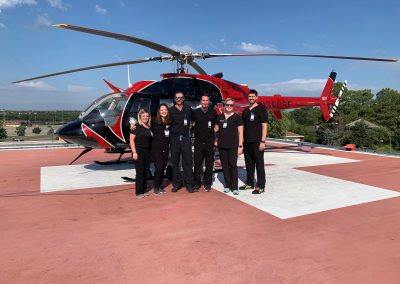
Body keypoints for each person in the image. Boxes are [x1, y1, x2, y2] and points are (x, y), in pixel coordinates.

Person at [240, 89, 269, 194]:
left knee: (259, 164)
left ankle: (261, 186)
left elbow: (264, 125)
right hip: (247, 142)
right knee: (249, 164)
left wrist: (263, 141)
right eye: (249, 96)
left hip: (257, 142)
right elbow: (242, 127)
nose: (251, 98)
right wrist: (241, 142)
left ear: (257, 97)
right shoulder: (246, 111)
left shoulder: (261, 109)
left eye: (253, 96)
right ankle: (249, 183)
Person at [214, 98, 243, 195]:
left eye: (231, 105)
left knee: (233, 166)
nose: (229, 107)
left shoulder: (237, 117)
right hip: (222, 146)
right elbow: (216, 129)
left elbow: (241, 132)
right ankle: (227, 185)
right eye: (227, 105)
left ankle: (235, 187)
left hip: (233, 146)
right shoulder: (220, 117)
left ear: (233, 106)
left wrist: (240, 146)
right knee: (225, 166)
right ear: (224, 106)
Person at [169, 91, 195, 193]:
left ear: (183, 98)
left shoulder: (188, 109)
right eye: (177, 98)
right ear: (174, 99)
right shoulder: (170, 110)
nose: (179, 99)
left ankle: (189, 184)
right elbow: (162, 120)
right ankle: (177, 184)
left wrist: (192, 124)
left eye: (180, 97)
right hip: (174, 138)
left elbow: (195, 118)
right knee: (175, 163)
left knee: (188, 161)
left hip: (185, 138)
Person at [191, 95, 218, 192]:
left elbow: (217, 124)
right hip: (198, 141)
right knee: (197, 164)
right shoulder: (195, 112)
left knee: (209, 164)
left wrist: (215, 136)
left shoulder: (213, 112)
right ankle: (197, 183)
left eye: (207, 100)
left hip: (209, 142)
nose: (205, 102)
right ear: (200, 101)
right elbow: (191, 123)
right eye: (203, 100)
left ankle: (207, 183)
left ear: (209, 102)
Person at [130, 109, 153, 198]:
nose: (145, 117)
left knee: (146, 171)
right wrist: (134, 152)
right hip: (139, 151)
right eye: (143, 116)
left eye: (147, 116)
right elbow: (131, 140)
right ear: (140, 117)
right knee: (140, 172)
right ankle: (139, 192)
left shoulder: (148, 127)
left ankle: (144, 190)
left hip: (147, 152)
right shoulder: (136, 126)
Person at [151, 104, 171, 194]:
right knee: (158, 167)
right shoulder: (154, 120)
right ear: (159, 111)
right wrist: (133, 124)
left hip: (165, 148)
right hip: (156, 148)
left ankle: (160, 186)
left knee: (163, 168)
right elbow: (142, 122)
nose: (164, 111)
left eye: (165, 110)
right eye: (162, 110)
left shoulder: (169, 121)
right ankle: (156, 186)